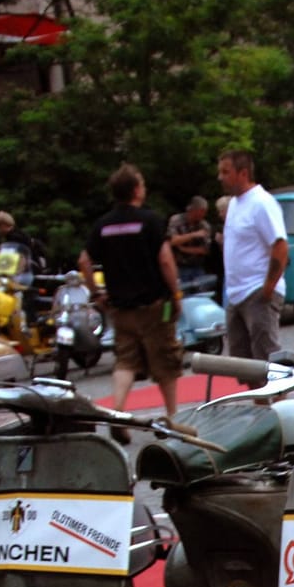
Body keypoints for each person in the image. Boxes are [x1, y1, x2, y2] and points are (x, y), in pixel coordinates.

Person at [79, 163, 186, 430]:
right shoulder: (149, 221)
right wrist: (176, 293)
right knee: (165, 358)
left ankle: (118, 411)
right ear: (136, 190)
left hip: (120, 307)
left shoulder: (102, 225)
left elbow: (84, 261)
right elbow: (165, 260)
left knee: (125, 360)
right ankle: (174, 416)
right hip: (153, 305)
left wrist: (96, 293)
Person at [217, 149, 290, 360]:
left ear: (243, 173)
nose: (220, 177)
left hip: (256, 290)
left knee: (268, 361)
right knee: (244, 364)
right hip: (236, 293)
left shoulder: (261, 203)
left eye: (225, 172)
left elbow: (280, 245)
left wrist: (268, 289)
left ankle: (279, 395)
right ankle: (259, 395)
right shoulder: (233, 204)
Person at [167, 196, 212, 284]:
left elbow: (205, 250)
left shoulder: (204, 225)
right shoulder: (176, 220)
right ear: (194, 210)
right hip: (180, 266)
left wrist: (183, 249)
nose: (204, 214)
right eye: (202, 211)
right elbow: (172, 241)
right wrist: (194, 235)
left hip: (198, 267)